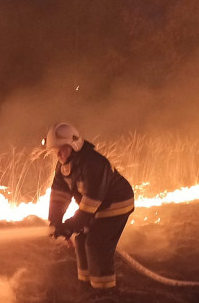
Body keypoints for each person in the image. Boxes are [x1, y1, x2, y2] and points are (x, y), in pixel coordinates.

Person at [44, 122, 134, 291]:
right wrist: (55, 221)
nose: (58, 153)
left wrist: (71, 225)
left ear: (74, 144)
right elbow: (58, 196)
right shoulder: (64, 166)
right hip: (95, 210)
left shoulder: (93, 163)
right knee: (81, 240)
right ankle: (87, 286)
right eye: (55, 149)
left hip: (116, 205)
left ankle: (105, 293)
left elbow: (92, 200)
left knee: (96, 244)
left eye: (62, 148)